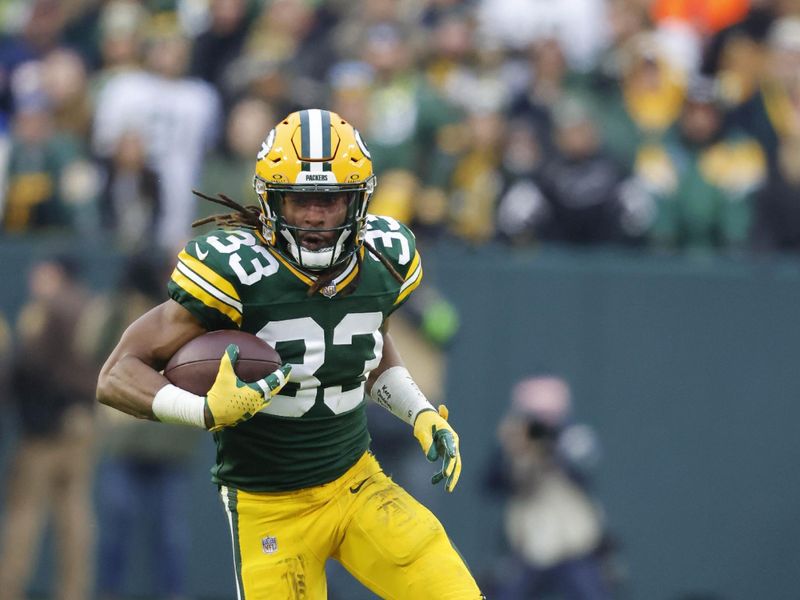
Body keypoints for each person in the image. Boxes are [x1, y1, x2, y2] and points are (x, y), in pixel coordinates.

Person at [96, 109, 484, 599]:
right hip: (269, 506)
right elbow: (115, 375)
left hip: (355, 482)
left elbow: (366, 340)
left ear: (358, 201)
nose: (316, 216)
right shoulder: (237, 270)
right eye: (300, 200)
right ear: (269, 199)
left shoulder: (385, 257)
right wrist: (203, 410)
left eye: (331, 200)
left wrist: (420, 412)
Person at [0, 255, 98, 600]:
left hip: (44, 428)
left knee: (24, 514)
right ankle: (74, 592)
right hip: (82, 422)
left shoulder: (48, 310)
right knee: (74, 516)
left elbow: (31, 364)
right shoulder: (91, 306)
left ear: (55, 274)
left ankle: (8, 589)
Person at [486, 376, 614, 600]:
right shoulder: (515, 445)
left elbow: (584, 472)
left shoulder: (574, 439)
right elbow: (492, 484)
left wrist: (557, 448)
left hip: (573, 546)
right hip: (529, 546)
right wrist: (517, 452)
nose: (543, 425)